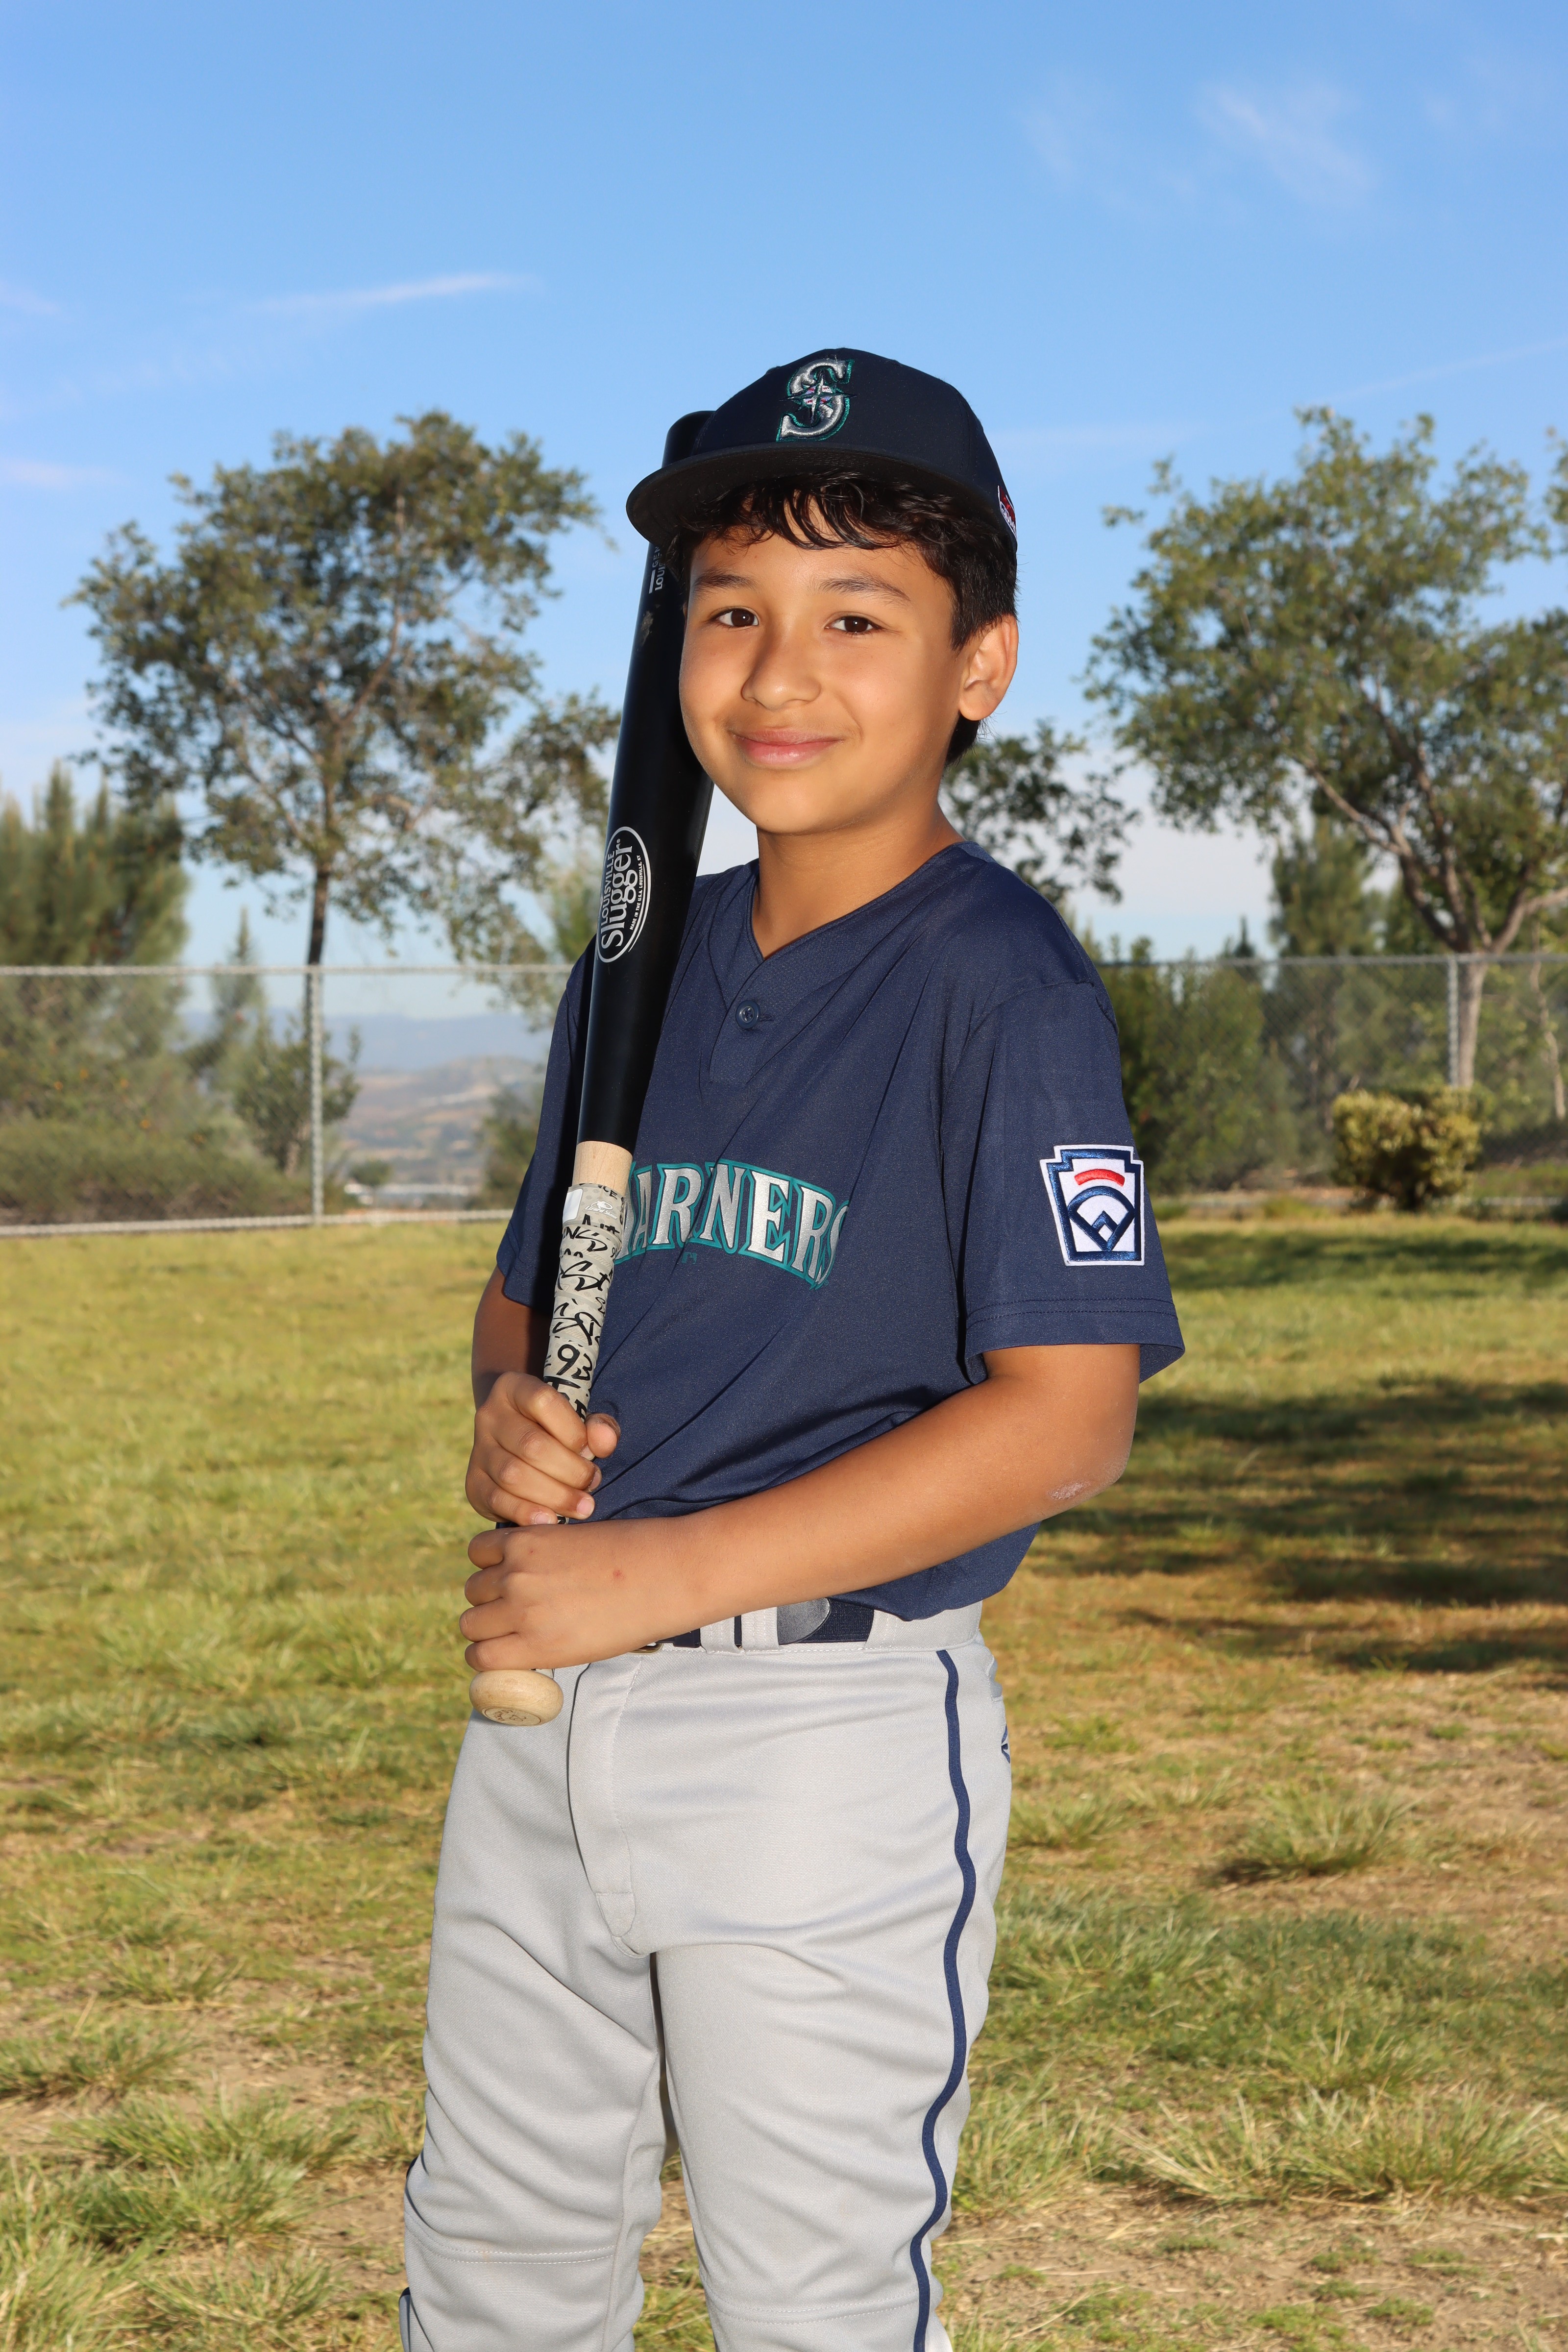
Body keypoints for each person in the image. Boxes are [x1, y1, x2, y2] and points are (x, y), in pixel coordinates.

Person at [401, 349, 1184, 2352]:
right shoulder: (636, 971)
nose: (777, 674)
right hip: (545, 1712)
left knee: (811, 2307)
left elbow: (1067, 1416)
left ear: (978, 665)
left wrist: (664, 1570)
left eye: (856, 620)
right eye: (732, 611)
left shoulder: (999, 983)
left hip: (817, 1734)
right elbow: (529, 1296)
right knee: (491, 2268)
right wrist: (507, 1416)